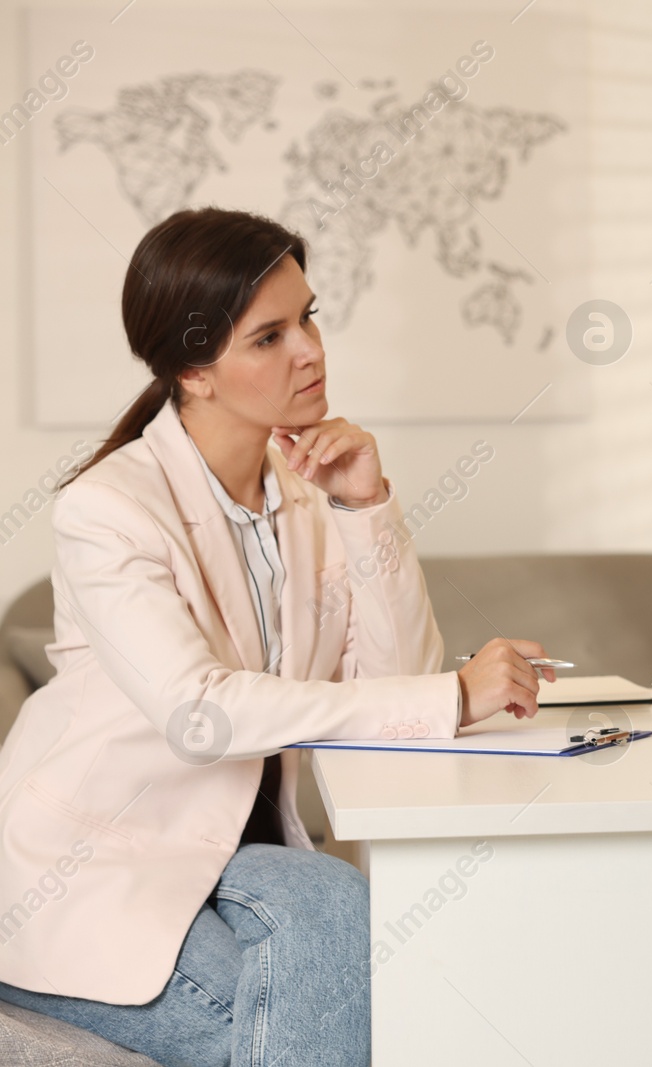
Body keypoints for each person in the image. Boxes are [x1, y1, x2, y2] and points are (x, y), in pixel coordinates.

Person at [0, 207, 554, 1066]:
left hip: (239, 856)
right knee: (366, 1013)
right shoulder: (107, 511)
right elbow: (200, 713)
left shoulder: (305, 490)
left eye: (309, 316)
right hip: (100, 865)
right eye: (269, 337)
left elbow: (394, 678)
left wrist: (365, 508)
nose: (310, 350)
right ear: (195, 369)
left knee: (334, 909)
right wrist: (450, 694)